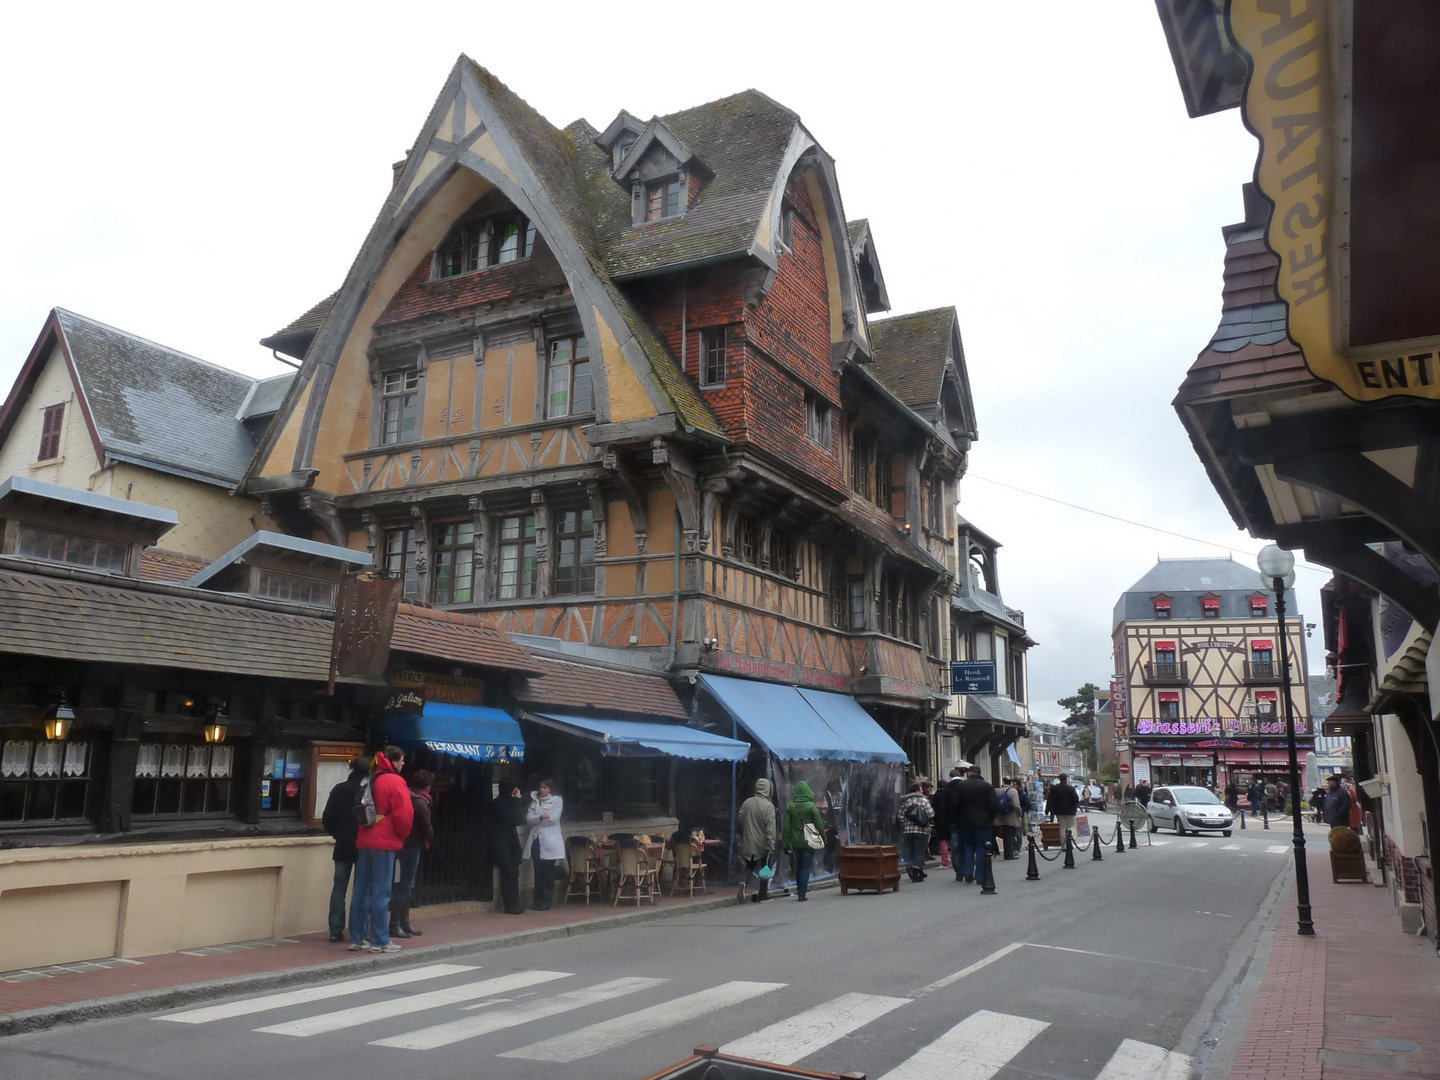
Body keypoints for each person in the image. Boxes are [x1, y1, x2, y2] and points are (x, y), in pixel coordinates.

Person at [351, 746, 413, 953]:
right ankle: (379, 940)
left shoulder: (369, 779)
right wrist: (402, 836)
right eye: (401, 760)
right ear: (393, 761)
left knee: (361, 890)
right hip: (385, 840)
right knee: (381, 891)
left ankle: (357, 938)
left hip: (365, 837)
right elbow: (404, 815)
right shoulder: (395, 781)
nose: (403, 763)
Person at [321, 757, 368, 942]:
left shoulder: (339, 789)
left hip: (343, 844)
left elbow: (327, 817)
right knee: (362, 889)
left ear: (352, 769)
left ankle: (335, 929)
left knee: (339, 888)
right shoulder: (369, 791)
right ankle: (359, 930)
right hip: (364, 844)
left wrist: (337, 834)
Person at [391, 769, 433, 939]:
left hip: (401, 843)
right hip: (412, 845)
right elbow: (426, 825)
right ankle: (397, 924)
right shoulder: (421, 802)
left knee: (404, 885)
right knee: (405, 885)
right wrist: (431, 839)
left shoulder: (405, 796)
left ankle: (404, 923)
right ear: (428, 787)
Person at [950, 766, 1000, 883]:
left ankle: (968, 871)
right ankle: (980, 876)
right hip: (983, 823)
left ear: (969, 773)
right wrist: (990, 817)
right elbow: (994, 805)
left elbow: (954, 804)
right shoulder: (987, 786)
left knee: (968, 847)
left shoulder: (961, 786)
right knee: (982, 848)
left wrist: (959, 817)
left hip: (965, 822)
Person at [523, 779, 564, 911]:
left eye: (545, 787)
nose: (542, 790)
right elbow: (529, 818)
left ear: (550, 789)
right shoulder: (535, 801)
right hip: (536, 839)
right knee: (538, 871)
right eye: (541, 787)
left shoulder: (557, 801)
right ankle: (537, 900)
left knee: (548, 872)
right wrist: (540, 817)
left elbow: (553, 818)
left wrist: (538, 819)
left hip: (550, 840)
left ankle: (546, 901)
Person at [781, 780, 825, 901]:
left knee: (799, 865)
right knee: (806, 866)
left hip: (795, 842)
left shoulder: (791, 806)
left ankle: (799, 889)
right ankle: (802, 893)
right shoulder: (811, 806)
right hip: (809, 841)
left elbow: (787, 827)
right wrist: (823, 839)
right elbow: (819, 824)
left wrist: (785, 843)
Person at [737, 777, 778, 903]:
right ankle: (763, 893)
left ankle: (744, 882)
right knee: (765, 867)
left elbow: (740, 818)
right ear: (768, 790)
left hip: (749, 840)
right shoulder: (768, 806)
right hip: (763, 843)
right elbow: (770, 828)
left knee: (749, 865)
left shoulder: (747, 802)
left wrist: (749, 826)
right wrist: (771, 845)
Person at [490, 782, 526, 914]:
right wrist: (516, 801)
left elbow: (520, 819)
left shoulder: (510, 802)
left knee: (514, 874)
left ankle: (515, 902)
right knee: (507, 873)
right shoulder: (498, 803)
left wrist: (516, 801)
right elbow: (514, 819)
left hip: (512, 841)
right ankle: (509, 904)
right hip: (501, 841)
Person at [898, 781, 933, 881]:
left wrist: (906, 824)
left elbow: (900, 816)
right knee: (919, 851)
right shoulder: (924, 801)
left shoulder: (905, 802)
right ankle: (916, 872)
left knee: (911, 850)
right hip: (921, 831)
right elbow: (931, 814)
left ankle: (914, 867)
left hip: (908, 831)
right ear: (918, 790)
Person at [1047, 773, 1080, 842]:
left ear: (1059, 779)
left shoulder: (1054, 788)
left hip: (1059, 811)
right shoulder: (1070, 788)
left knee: (1062, 827)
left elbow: (1050, 800)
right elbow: (1076, 799)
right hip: (1070, 811)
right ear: (1066, 779)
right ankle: (1070, 841)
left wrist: (1047, 810)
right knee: (1071, 826)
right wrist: (1074, 807)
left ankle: (1064, 844)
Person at [996, 776, 1023, 860]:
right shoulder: (1013, 791)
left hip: (1001, 816)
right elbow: (1016, 805)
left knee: (1005, 835)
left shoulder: (998, 791)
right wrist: (1020, 813)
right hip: (1011, 816)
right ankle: (1009, 853)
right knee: (1010, 836)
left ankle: (1006, 852)